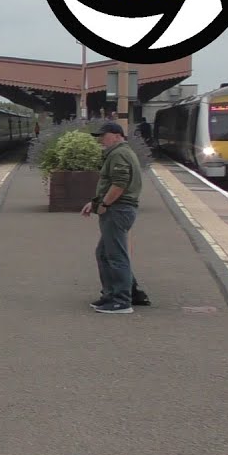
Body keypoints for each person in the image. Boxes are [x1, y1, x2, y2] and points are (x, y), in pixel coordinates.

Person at [81, 121, 144, 313]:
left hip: (118, 209)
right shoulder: (121, 152)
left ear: (117, 136)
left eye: (104, 136)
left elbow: (119, 183)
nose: (101, 140)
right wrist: (95, 202)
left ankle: (121, 301)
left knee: (115, 255)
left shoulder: (119, 154)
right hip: (119, 208)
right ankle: (112, 294)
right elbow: (112, 184)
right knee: (104, 253)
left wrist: (105, 204)